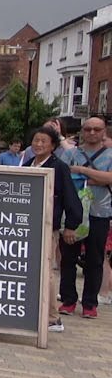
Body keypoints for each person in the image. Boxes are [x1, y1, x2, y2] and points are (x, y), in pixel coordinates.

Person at [22, 125, 83, 332]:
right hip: (26, 225)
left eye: (43, 141)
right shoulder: (29, 163)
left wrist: (71, 226)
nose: (38, 145)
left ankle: (52, 317)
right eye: (36, 140)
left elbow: (71, 199)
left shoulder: (59, 167)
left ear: (53, 146)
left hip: (48, 226)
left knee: (45, 271)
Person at [59, 117, 112, 319]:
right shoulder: (71, 153)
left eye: (96, 129)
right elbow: (63, 178)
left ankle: (90, 303)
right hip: (73, 213)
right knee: (68, 258)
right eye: (87, 129)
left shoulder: (109, 154)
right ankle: (68, 299)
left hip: (99, 213)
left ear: (103, 131)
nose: (91, 133)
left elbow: (109, 178)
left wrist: (80, 171)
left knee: (95, 259)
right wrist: (97, 177)